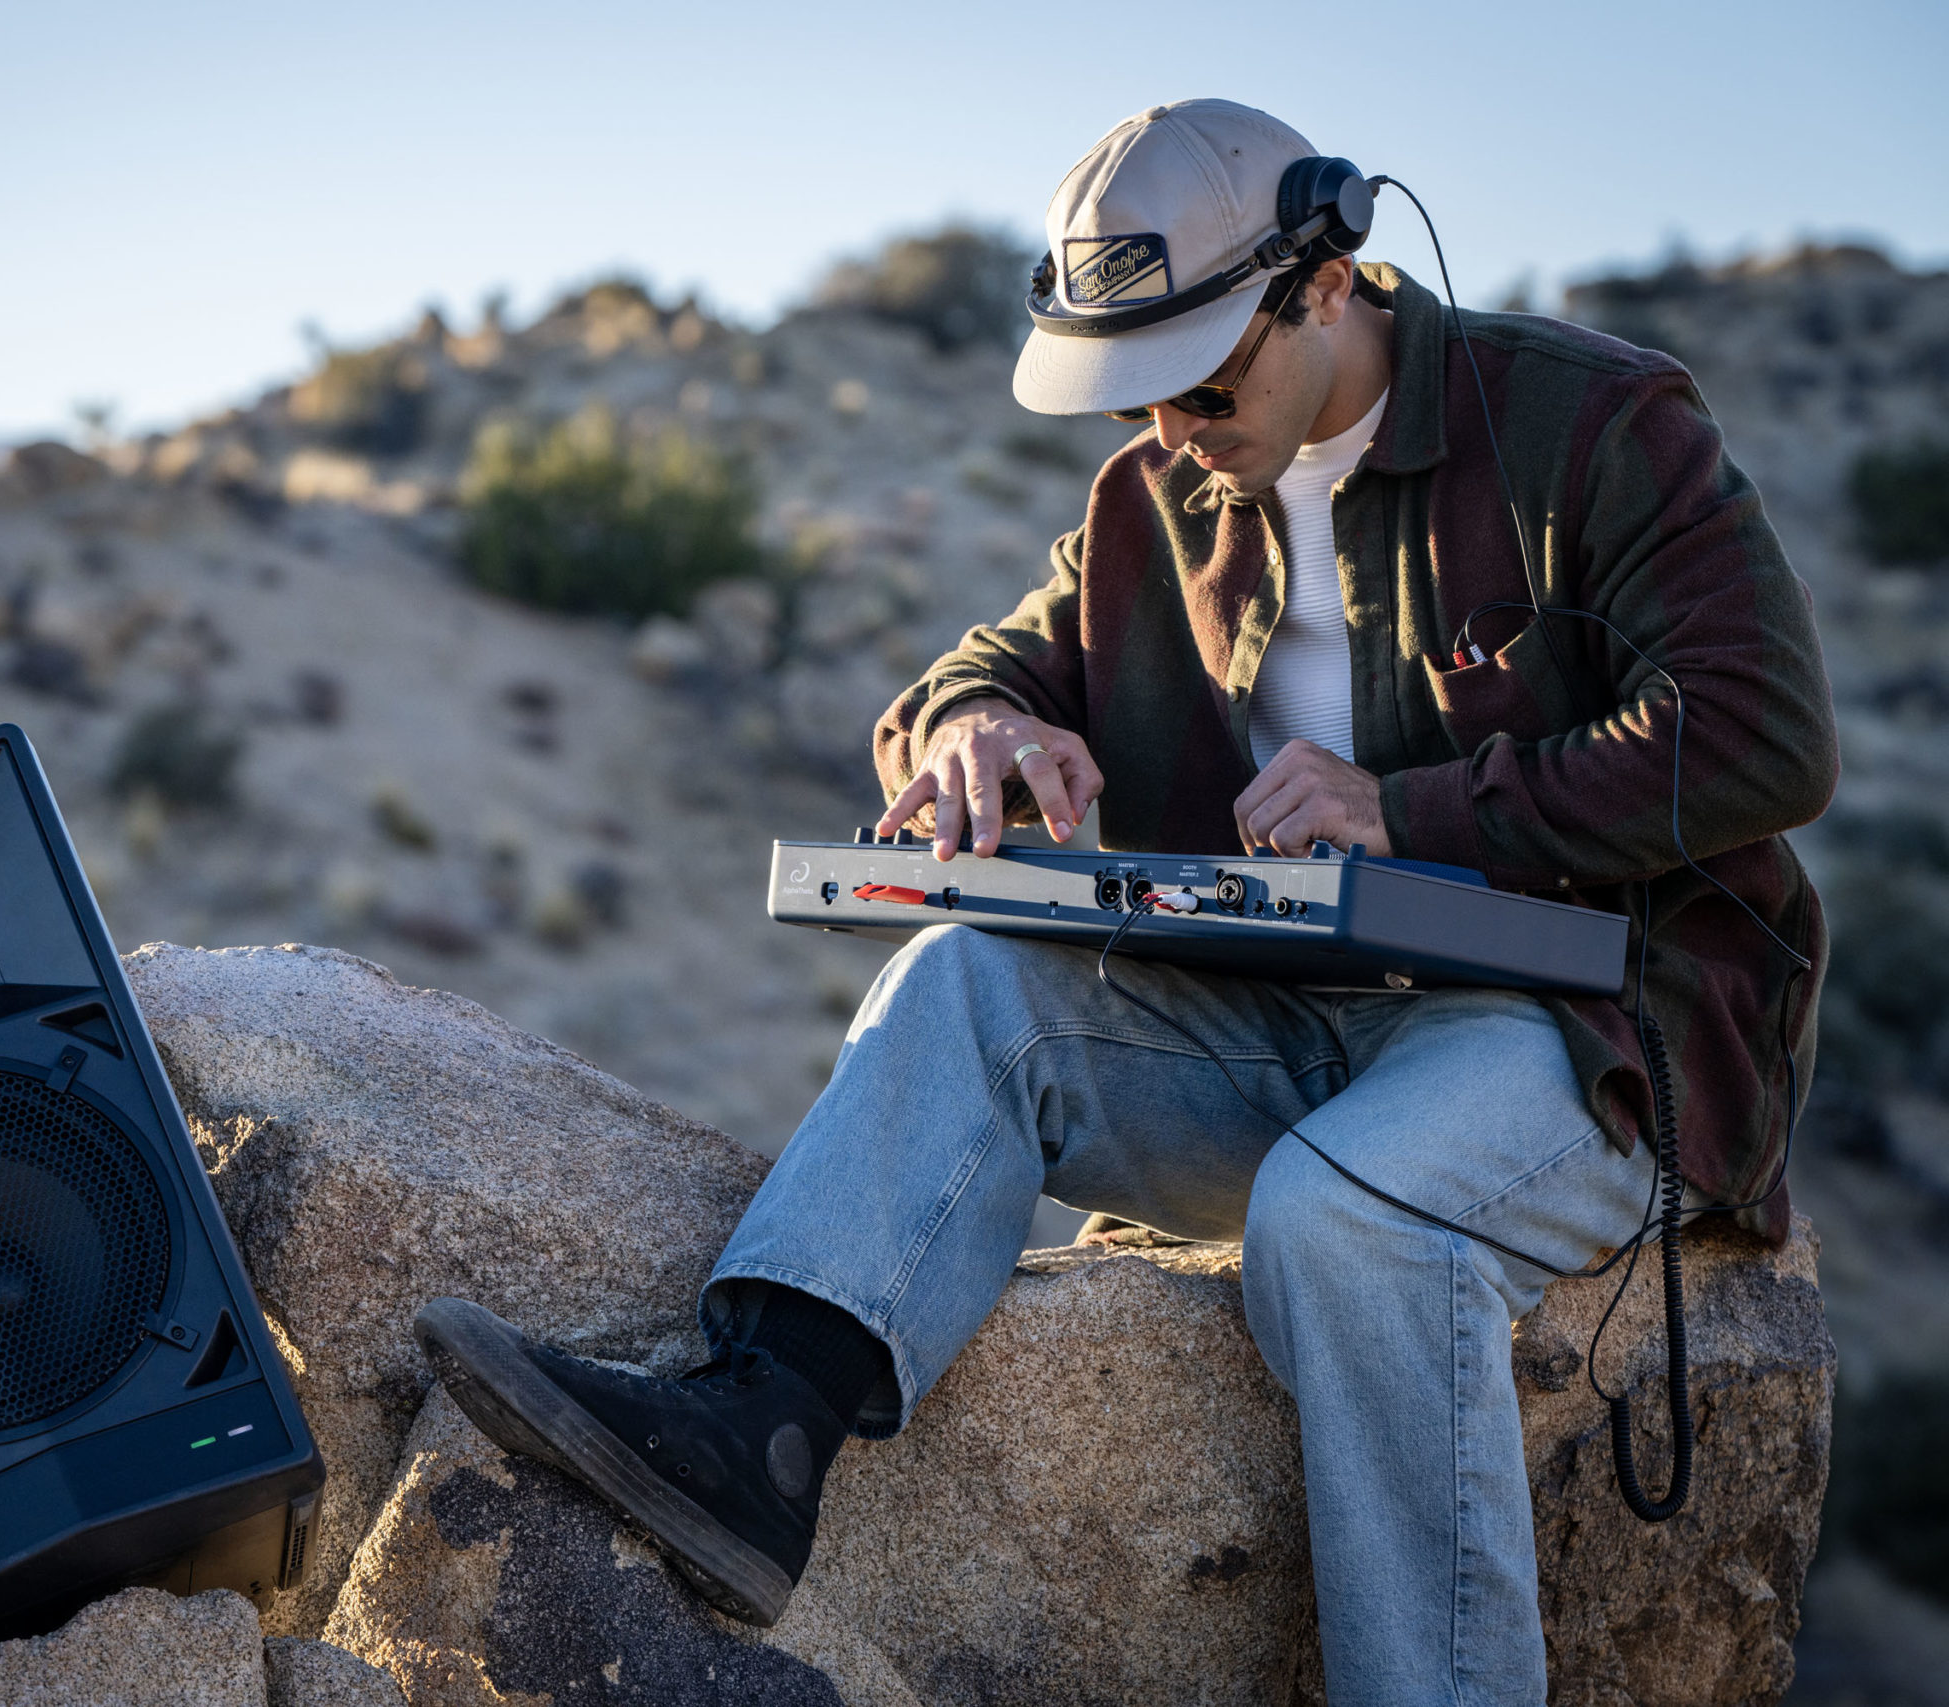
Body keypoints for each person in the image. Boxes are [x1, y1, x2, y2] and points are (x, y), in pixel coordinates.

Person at [415, 98, 1835, 1705]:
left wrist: (1412, 812)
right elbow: (988, 668)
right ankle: (759, 1433)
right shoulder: (1152, 498)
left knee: (1349, 1221)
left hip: (1579, 1033)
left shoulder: (1592, 426)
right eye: (1134, 389)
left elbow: (1767, 733)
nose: (1168, 427)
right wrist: (976, 730)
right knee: (967, 979)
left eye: (1202, 381)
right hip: (1285, 1027)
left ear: (1325, 278)